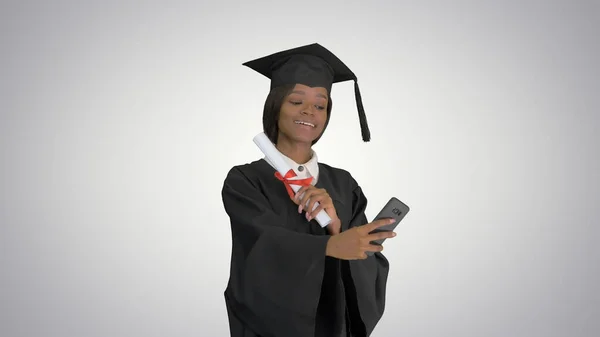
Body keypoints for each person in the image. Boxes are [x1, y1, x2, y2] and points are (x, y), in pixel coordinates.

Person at [221, 43, 397, 337]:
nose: (309, 111)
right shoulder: (246, 180)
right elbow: (260, 249)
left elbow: (366, 266)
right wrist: (328, 247)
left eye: (320, 105)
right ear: (275, 105)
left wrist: (338, 230)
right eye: (296, 101)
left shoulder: (343, 183)